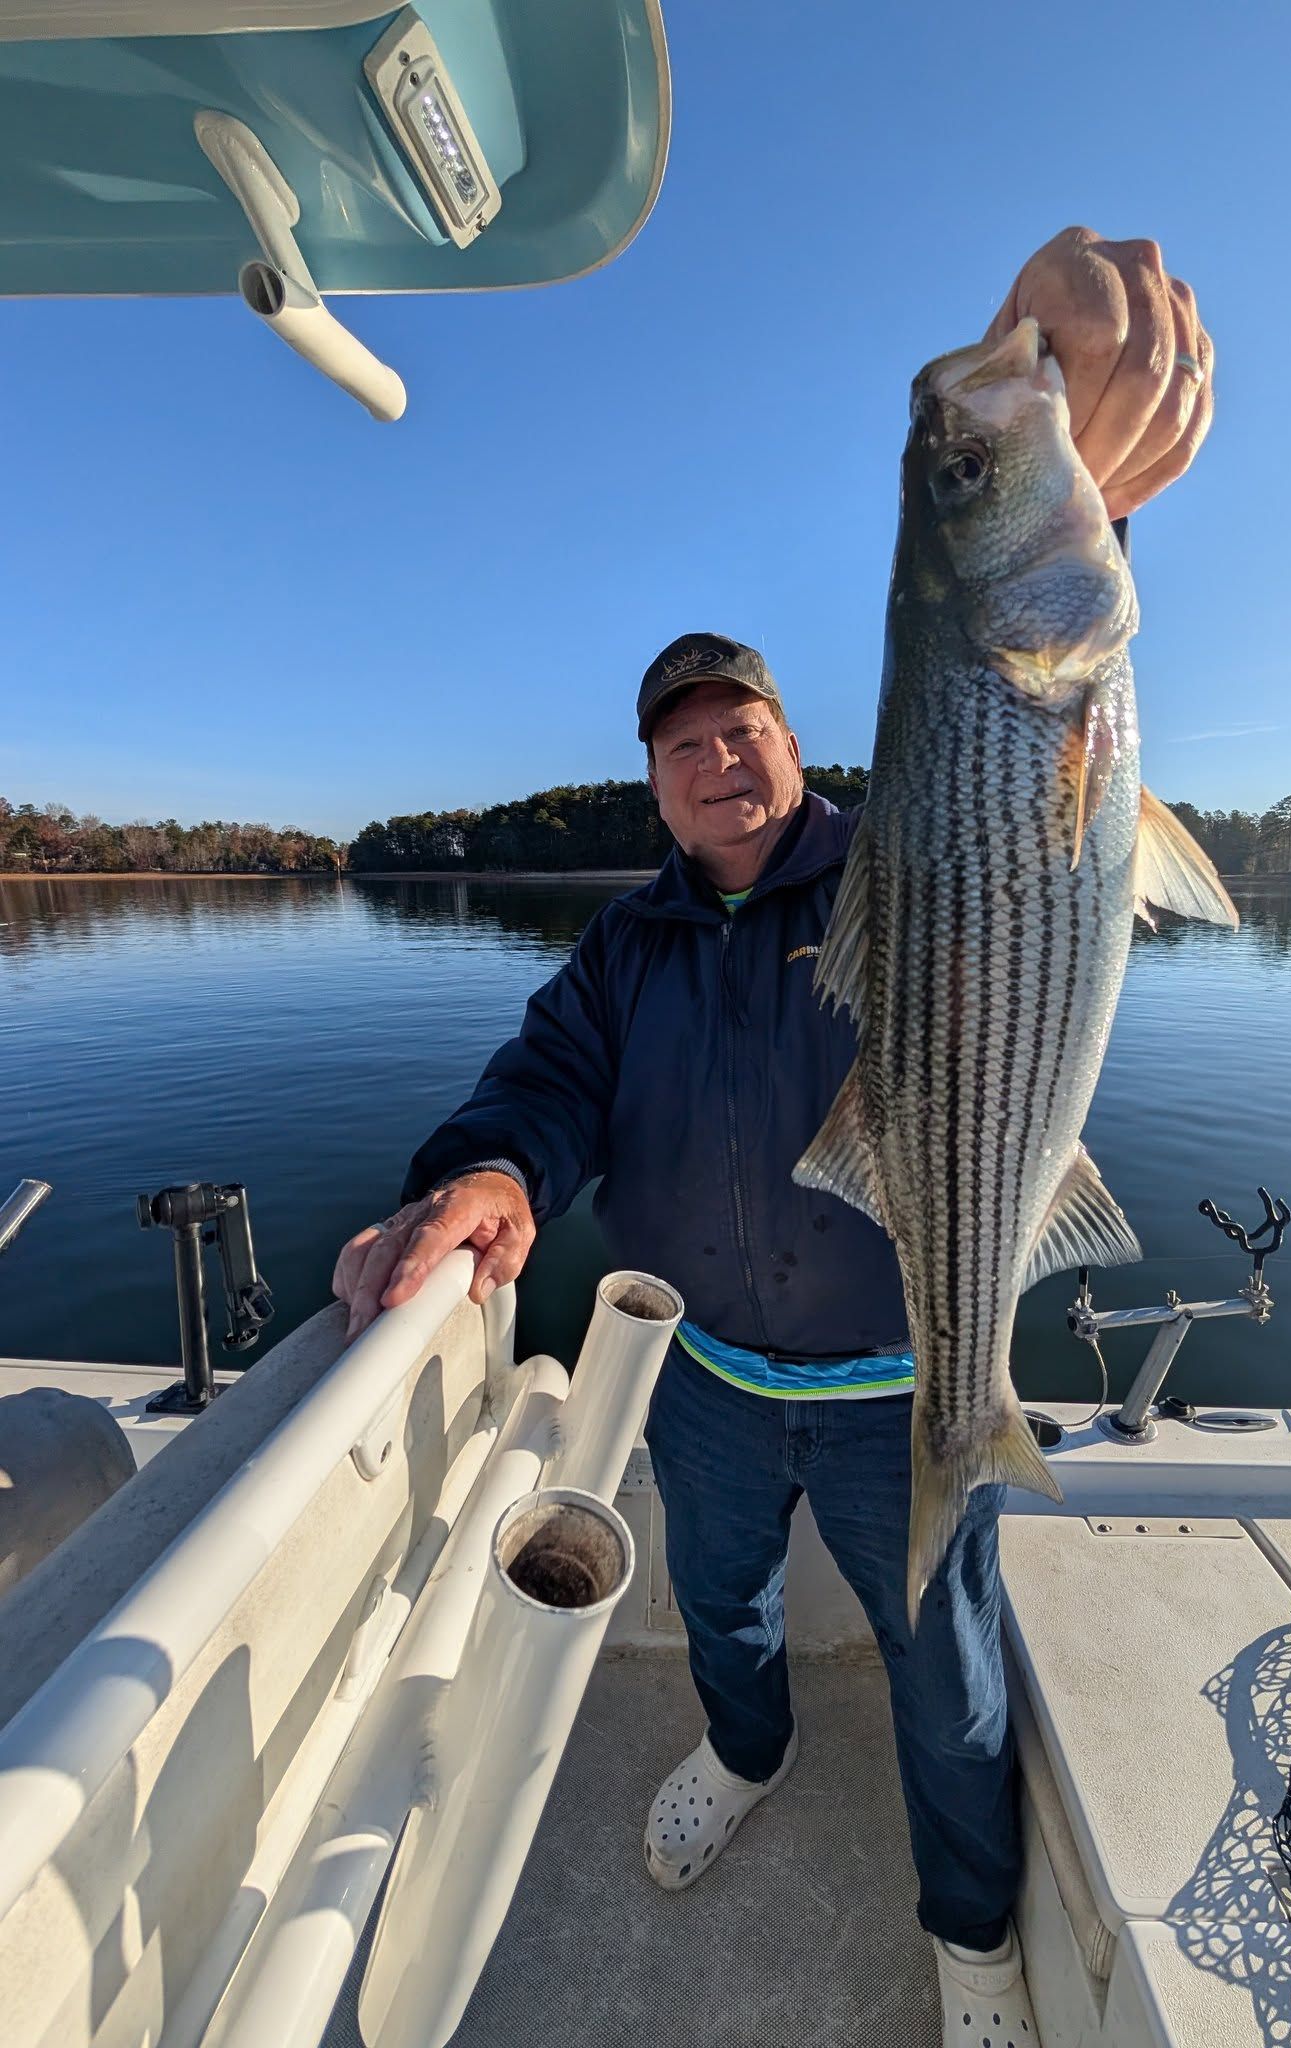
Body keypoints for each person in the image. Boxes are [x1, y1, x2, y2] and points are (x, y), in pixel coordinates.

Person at [333, 226, 1214, 2044]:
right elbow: (541, 1086)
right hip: (712, 1379)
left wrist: (1100, 490)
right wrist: (484, 1174)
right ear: (654, 789)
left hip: (906, 1379)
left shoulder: (911, 861)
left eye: (740, 730)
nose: (715, 762)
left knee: (945, 1670)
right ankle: (744, 1753)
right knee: (720, 1607)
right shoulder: (624, 948)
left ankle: (970, 1938)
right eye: (681, 749)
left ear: (794, 746)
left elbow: (1032, 712)